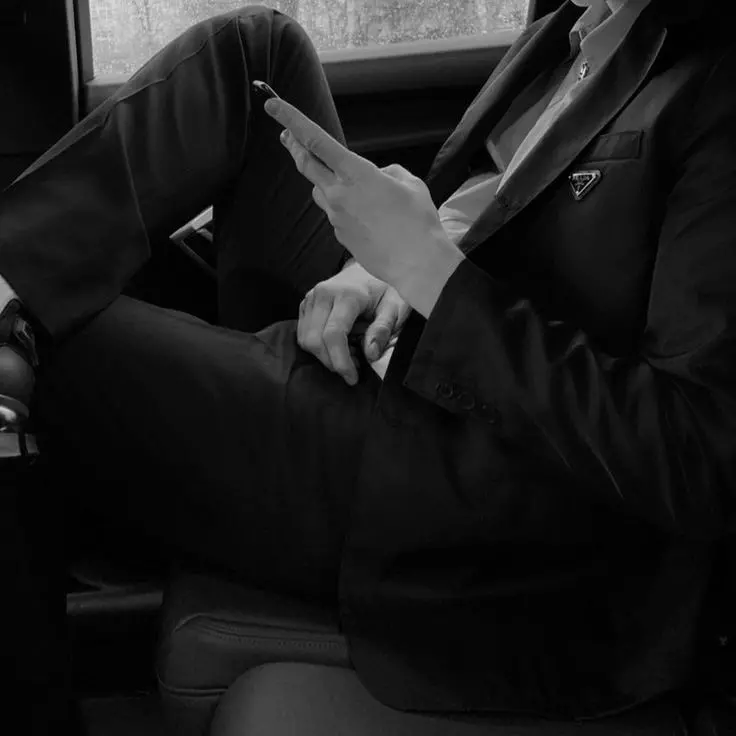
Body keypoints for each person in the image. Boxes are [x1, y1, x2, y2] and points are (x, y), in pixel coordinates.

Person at [1, 0, 735, 731]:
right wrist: (377, 265)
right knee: (254, 50)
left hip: (467, 467)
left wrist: (430, 274)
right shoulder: (580, 27)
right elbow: (498, 203)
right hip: (404, 333)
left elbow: (697, 455)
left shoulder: (714, 87)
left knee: (51, 345)